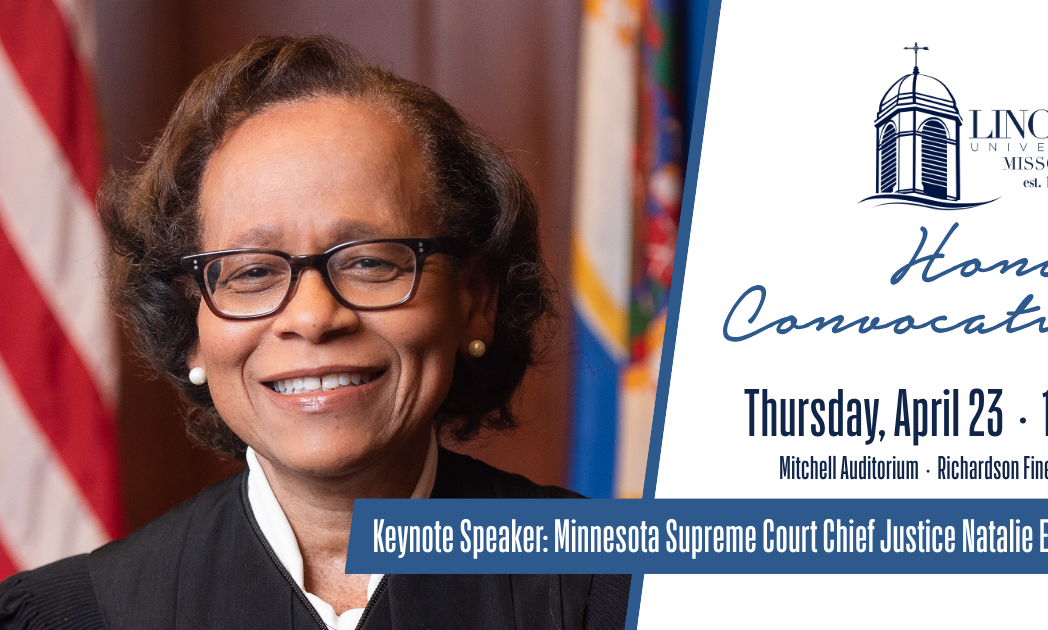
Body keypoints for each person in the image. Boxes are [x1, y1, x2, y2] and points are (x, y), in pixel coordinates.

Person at [0, 35, 629, 629]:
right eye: (250, 272)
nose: (311, 317)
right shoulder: (73, 617)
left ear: (476, 301)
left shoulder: (623, 585)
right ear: (190, 326)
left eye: (370, 262)